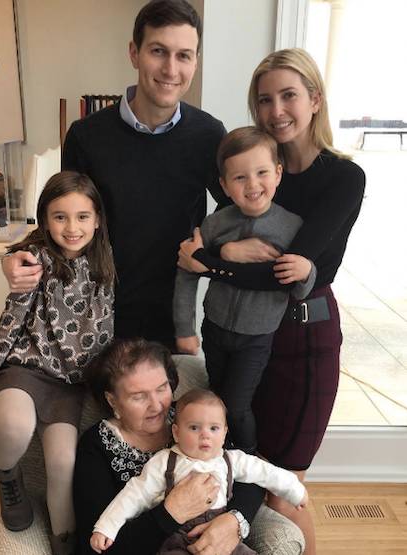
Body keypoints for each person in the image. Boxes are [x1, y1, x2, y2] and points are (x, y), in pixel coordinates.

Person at [177, 48, 366, 554]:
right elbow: (223, 234)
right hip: (250, 339)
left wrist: (211, 262)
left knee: (284, 487)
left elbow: (286, 273)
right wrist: (222, 251)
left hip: (305, 342)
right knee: (245, 469)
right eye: (264, 99)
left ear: (315, 99)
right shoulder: (254, 171)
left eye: (288, 96)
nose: (276, 110)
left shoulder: (344, 178)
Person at [1, 0, 228, 350]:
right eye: (158, 51)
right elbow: (64, 220)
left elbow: (235, 213)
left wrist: (218, 253)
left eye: (184, 55)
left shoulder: (210, 136)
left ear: (195, 62)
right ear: (134, 53)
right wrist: (13, 258)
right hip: (89, 318)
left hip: (171, 321)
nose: (171, 68)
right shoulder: (86, 136)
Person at [0, 171, 115, 555]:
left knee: (63, 466)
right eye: (60, 217)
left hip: (68, 385)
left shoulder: (104, 262)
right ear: (45, 220)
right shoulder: (35, 260)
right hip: (24, 370)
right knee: (15, 428)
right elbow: (11, 319)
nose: (72, 228)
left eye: (82, 216)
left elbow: (104, 333)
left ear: (97, 219)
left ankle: (63, 546)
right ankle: (7, 476)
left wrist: (106, 386)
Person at [74, 339, 304, 555]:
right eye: (139, 396)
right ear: (112, 400)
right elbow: (96, 547)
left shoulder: (192, 417)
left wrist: (235, 520)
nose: (156, 405)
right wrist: (171, 513)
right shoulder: (96, 446)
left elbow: (249, 471)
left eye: (162, 388)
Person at [173, 127, 316, 455]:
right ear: (224, 185)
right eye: (240, 177)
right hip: (215, 328)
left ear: (278, 173)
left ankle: (248, 461)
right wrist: (184, 329)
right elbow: (187, 270)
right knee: (215, 401)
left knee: (236, 406)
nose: (252, 185)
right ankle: (217, 459)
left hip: (257, 337)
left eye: (262, 173)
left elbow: (300, 288)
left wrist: (306, 272)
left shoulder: (292, 227)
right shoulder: (215, 224)